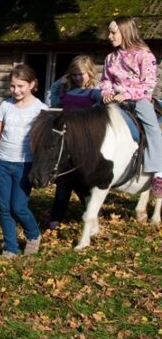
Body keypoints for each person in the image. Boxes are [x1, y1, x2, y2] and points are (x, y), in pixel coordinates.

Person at [0, 64, 45, 258]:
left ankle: (33, 234)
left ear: (31, 85)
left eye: (20, 86)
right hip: (3, 162)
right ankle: (10, 248)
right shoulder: (5, 106)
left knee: (18, 206)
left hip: (25, 164)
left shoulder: (41, 109)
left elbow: (44, 142)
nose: (16, 90)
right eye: (12, 86)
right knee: (4, 207)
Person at [100, 16, 162, 197]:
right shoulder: (110, 58)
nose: (109, 36)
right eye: (109, 32)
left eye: (113, 32)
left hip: (139, 99)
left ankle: (159, 172)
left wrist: (127, 94)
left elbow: (148, 83)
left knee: (152, 127)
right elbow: (105, 80)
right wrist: (106, 93)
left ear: (125, 32)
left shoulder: (144, 55)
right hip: (115, 100)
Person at [46, 55, 101, 228]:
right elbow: (53, 102)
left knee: (84, 180)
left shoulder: (95, 93)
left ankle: (93, 214)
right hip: (68, 142)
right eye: (74, 75)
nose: (77, 78)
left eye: (81, 74)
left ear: (90, 73)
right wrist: (58, 83)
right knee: (64, 181)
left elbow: (102, 112)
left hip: (87, 144)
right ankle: (56, 218)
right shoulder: (67, 92)